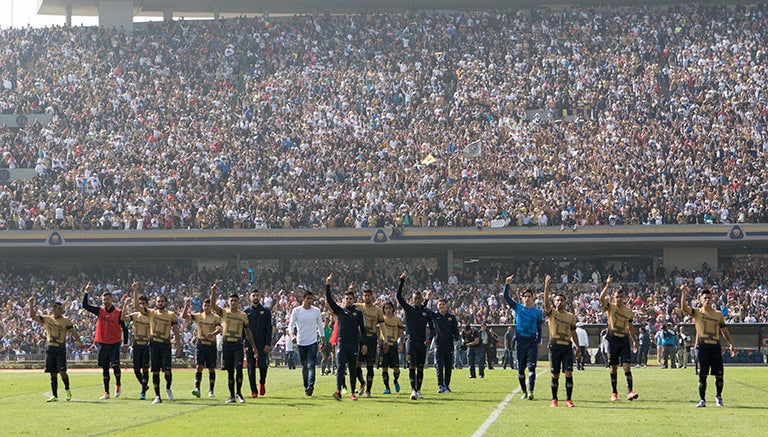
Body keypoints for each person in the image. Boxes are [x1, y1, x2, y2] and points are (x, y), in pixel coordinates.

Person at [680, 284, 735, 407]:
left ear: (712, 299)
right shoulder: (697, 312)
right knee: (702, 375)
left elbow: (724, 330)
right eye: (705, 298)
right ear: (700, 300)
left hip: (715, 347)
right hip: (702, 347)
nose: (707, 300)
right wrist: (683, 293)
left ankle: (718, 397)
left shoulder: (718, 314)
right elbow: (684, 307)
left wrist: (731, 343)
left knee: (719, 375)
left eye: (709, 298)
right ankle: (702, 400)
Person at [133, 284, 183, 404]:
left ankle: (168, 387)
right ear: (155, 302)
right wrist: (135, 291)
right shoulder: (151, 312)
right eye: (158, 301)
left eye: (162, 301)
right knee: (155, 371)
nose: (160, 303)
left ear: (165, 302)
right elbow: (136, 306)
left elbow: (176, 331)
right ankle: (157, 396)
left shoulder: (171, 315)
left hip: (165, 345)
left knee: (167, 371)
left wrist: (178, 346)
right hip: (154, 345)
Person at [28, 296, 84, 402]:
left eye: (62, 309)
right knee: (52, 373)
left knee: (62, 371)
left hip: (60, 349)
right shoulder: (47, 318)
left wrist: (79, 342)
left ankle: (67, 389)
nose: (61, 311)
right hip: (50, 349)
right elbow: (32, 316)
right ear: (54, 309)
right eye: (59, 309)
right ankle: (55, 396)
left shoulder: (66, 321)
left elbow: (73, 332)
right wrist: (31, 304)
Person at [210, 284, 258, 404]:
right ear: (228, 301)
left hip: (237, 345)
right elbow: (212, 306)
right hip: (227, 344)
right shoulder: (224, 312)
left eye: (235, 300)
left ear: (238, 302)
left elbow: (248, 331)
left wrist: (253, 346)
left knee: (239, 369)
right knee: (230, 371)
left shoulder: (243, 315)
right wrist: (213, 292)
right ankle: (231, 395)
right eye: (231, 300)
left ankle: (239, 393)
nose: (233, 302)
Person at [82, 282, 128, 400]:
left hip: (114, 343)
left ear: (111, 299)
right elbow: (85, 305)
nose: (105, 301)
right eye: (103, 299)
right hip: (102, 343)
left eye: (107, 299)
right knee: (105, 368)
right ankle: (106, 392)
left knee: (115, 366)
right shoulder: (100, 311)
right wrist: (86, 292)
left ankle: (118, 384)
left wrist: (125, 343)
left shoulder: (118, 313)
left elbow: (125, 329)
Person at [325, 273, 366, 401]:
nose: (348, 300)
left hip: (353, 344)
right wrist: (328, 285)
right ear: (343, 300)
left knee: (352, 369)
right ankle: (338, 391)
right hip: (341, 343)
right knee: (340, 367)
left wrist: (364, 343)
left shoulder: (358, 313)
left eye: (350, 298)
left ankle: (352, 393)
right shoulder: (340, 311)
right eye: (346, 299)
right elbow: (330, 300)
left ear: (354, 300)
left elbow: (363, 329)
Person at [599, 276, 639, 401]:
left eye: (621, 297)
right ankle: (614, 392)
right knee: (614, 367)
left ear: (624, 298)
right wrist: (607, 285)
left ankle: (630, 391)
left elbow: (630, 327)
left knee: (627, 366)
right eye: (617, 297)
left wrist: (635, 341)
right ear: (613, 298)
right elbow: (601, 298)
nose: (619, 299)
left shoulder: (629, 312)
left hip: (624, 340)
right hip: (612, 339)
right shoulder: (610, 307)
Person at [503, 275, 543, 400]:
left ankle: (531, 391)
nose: (527, 298)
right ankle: (524, 392)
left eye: (529, 296)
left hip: (531, 342)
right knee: (520, 370)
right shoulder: (518, 307)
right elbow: (505, 297)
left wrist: (539, 340)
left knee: (531, 368)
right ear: (522, 298)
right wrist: (507, 284)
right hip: (520, 342)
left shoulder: (537, 312)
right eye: (525, 296)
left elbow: (539, 327)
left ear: (533, 299)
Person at [543, 275, 580, 407]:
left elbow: (574, 332)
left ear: (565, 302)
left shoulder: (570, 317)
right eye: (557, 300)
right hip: (555, 346)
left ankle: (568, 400)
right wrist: (546, 286)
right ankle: (554, 399)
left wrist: (578, 348)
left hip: (567, 347)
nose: (559, 302)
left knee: (569, 373)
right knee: (555, 374)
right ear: (554, 302)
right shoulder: (551, 313)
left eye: (562, 300)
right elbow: (545, 302)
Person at [396, 271, 433, 400]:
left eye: (418, 298)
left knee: (421, 368)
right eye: (414, 298)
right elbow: (398, 296)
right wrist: (402, 281)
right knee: (412, 366)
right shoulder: (409, 309)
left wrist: (429, 339)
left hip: (422, 342)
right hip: (411, 341)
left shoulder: (427, 312)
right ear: (412, 299)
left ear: (422, 299)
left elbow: (432, 328)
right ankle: (413, 390)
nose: (416, 300)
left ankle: (419, 390)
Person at [182, 296, 222, 398]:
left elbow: (219, 329)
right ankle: (197, 388)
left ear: (211, 307)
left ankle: (211, 390)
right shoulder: (198, 316)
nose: (206, 307)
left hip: (211, 346)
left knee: (211, 368)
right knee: (199, 367)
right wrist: (186, 306)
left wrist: (213, 333)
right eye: (205, 305)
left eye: (208, 305)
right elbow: (185, 316)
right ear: (202, 306)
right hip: (200, 345)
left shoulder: (215, 317)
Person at [288, 291, 324, 396]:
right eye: (308, 298)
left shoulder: (316, 311)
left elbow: (320, 326)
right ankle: (306, 386)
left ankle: (311, 385)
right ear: (303, 299)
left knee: (311, 365)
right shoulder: (297, 311)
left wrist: (322, 341)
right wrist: (292, 336)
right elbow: (291, 325)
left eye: (311, 299)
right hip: (300, 342)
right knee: (304, 366)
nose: (309, 301)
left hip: (312, 342)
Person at [120, 287, 151, 399]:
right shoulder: (135, 315)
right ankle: (144, 385)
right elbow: (123, 318)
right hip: (137, 344)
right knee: (136, 370)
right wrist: (125, 305)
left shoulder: (151, 316)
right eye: (140, 303)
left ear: (147, 304)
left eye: (143, 303)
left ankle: (143, 392)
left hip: (146, 345)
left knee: (145, 368)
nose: (141, 305)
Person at [354, 284, 384, 398]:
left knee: (370, 365)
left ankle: (368, 391)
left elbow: (382, 326)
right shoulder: (359, 307)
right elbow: (345, 305)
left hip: (371, 339)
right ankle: (362, 382)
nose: (366, 297)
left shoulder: (377, 311)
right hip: (360, 338)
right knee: (357, 364)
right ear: (362, 296)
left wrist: (384, 339)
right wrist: (350, 290)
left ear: (372, 296)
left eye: (368, 295)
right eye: (365, 295)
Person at [244, 288, 272, 398]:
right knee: (250, 367)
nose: (255, 297)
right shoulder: (246, 312)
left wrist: (267, 344)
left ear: (260, 297)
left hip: (262, 343)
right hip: (249, 344)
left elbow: (268, 329)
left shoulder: (266, 311)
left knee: (262, 365)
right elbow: (243, 330)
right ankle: (253, 390)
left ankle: (262, 382)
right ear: (249, 297)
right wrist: (244, 344)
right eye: (253, 295)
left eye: (257, 295)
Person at [430, 298, 460, 393]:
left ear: (446, 305)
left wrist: (457, 339)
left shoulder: (451, 317)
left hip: (449, 344)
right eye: (439, 304)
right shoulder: (435, 316)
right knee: (439, 365)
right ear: (437, 306)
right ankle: (440, 386)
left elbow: (455, 330)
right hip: (438, 344)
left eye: (443, 304)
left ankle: (447, 385)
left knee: (448, 365)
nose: (441, 306)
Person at [379, 301, 404, 394]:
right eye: (386, 308)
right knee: (384, 368)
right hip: (384, 345)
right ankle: (387, 388)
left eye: (389, 308)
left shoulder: (397, 320)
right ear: (384, 310)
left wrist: (401, 344)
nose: (388, 310)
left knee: (396, 369)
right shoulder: (381, 319)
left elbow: (401, 334)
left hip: (393, 345)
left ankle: (395, 380)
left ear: (393, 309)